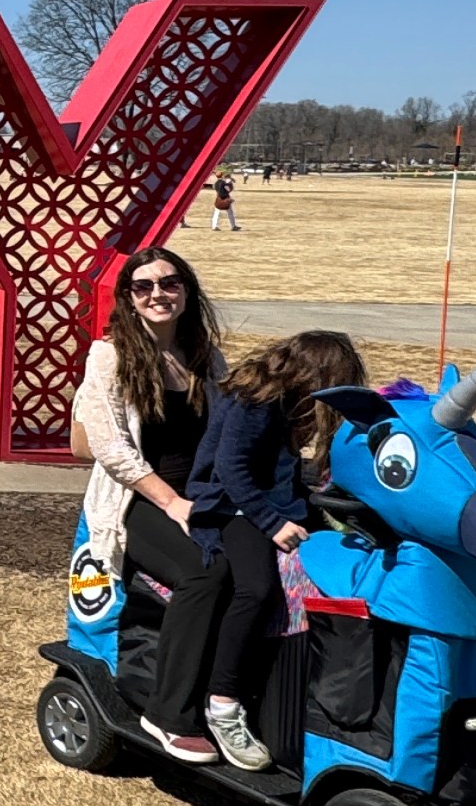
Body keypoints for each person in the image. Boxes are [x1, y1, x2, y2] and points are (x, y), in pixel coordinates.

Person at [145, 330, 368, 770]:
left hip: (275, 500)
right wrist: (271, 524)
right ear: (310, 375)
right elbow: (230, 470)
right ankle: (223, 702)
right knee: (257, 589)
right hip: (231, 507)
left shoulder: (291, 403)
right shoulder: (255, 400)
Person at [72, 249, 230, 764]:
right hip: (139, 500)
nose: (158, 294)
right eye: (143, 287)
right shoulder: (110, 356)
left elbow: (229, 429)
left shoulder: (204, 353)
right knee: (202, 574)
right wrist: (174, 503)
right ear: (128, 299)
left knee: (257, 573)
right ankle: (168, 714)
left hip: (204, 494)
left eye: (170, 283)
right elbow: (113, 450)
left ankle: (229, 698)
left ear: (187, 290)